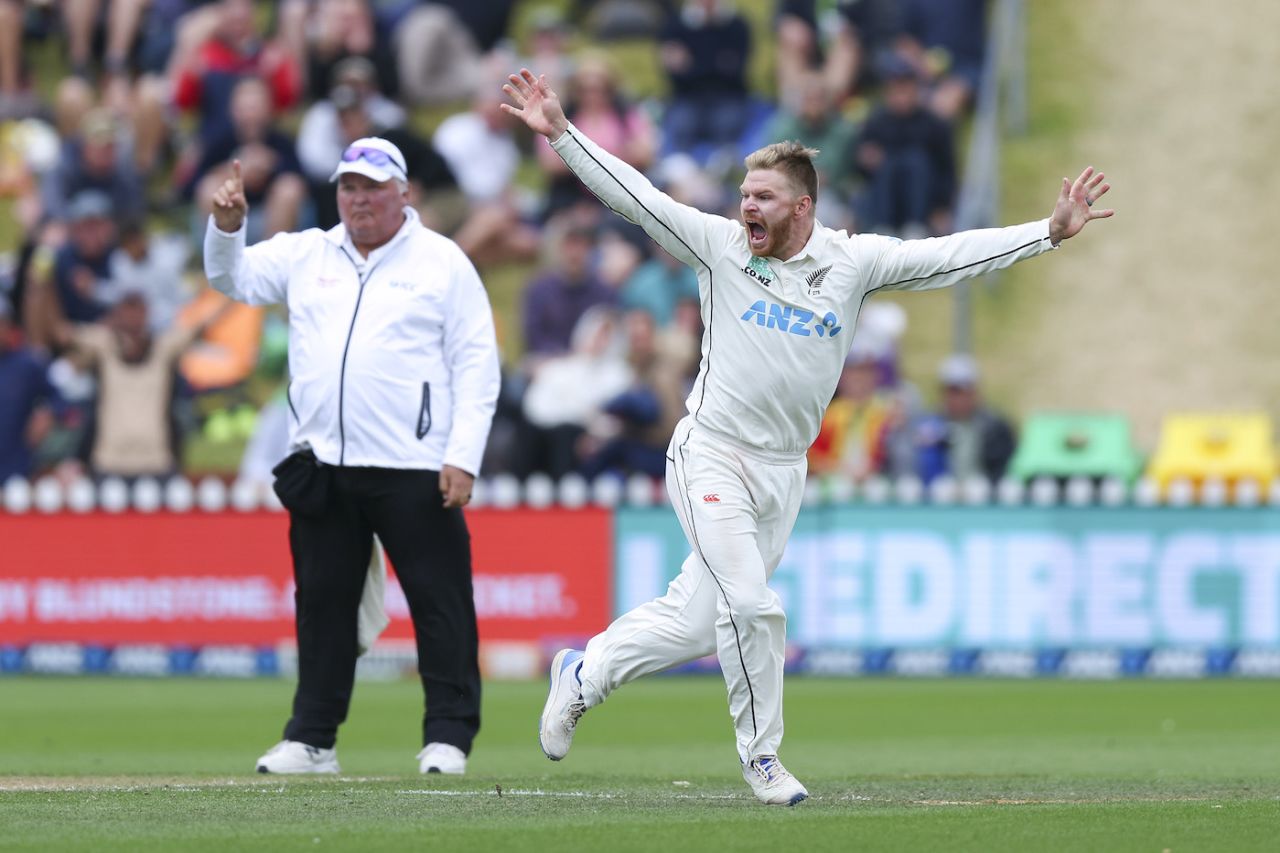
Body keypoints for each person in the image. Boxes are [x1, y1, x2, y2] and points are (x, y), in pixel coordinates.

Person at [501, 67, 1113, 805]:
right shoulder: (722, 248)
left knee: (698, 621)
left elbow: (951, 254)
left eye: (761, 198)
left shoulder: (850, 264)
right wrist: (565, 136)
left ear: (802, 206)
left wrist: (1046, 234)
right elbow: (641, 199)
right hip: (710, 452)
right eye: (743, 195)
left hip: (783, 473)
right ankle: (764, 760)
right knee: (755, 608)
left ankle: (583, 673)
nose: (746, 208)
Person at [203, 136, 500, 776]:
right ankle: (313, 739)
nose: (358, 199)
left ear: (403, 192)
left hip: (415, 463)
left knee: (439, 602)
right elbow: (233, 278)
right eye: (348, 187)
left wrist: (463, 456)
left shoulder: (443, 262)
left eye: (371, 187)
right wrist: (228, 228)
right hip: (323, 463)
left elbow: (477, 365)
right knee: (322, 605)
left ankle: (448, 737)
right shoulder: (308, 252)